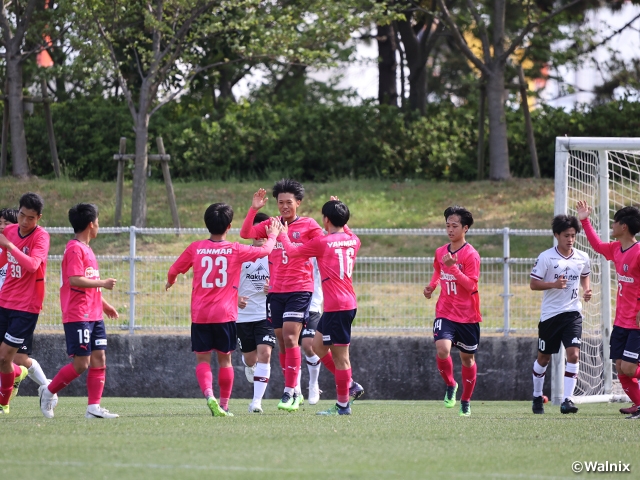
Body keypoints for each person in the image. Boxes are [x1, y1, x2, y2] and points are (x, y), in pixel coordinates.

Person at [167, 203, 279, 417]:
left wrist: (169, 281)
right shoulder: (235, 249)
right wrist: (273, 234)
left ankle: (209, 395)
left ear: (207, 224)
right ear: (229, 226)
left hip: (200, 314)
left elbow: (174, 270)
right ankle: (225, 405)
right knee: (225, 360)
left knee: (202, 360)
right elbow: (265, 250)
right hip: (225, 314)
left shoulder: (195, 248)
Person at [239, 180, 324, 412]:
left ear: (298, 202)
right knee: (283, 342)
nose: (285, 206)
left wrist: (285, 237)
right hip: (276, 291)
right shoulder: (271, 224)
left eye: (289, 202)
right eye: (280, 203)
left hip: (300, 288)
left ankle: (288, 392)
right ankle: (295, 389)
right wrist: (254, 209)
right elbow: (246, 233)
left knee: (289, 337)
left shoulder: (308, 225)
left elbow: (321, 243)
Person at [279, 199, 361, 415]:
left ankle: (343, 405)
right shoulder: (354, 240)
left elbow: (292, 251)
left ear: (325, 220)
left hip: (338, 307)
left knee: (342, 357)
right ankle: (349, 385)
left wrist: (282, 234)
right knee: (317, 346)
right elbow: (347, 231)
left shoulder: (322, 243)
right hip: (342, 305)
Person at [39, 203, 120, 419]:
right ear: (91, 224)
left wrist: (104, 305)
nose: (98, 226)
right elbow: (75, 280)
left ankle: (93, 408)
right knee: (81, 363)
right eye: (98, 222)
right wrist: (103, 283)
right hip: (79, 315)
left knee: (99, 358)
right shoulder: (75, 248)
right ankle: (48, 391)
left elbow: (88, 281)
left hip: (94, 314)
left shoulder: (87, 249)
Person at [576, 201, 640, 419]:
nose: (611, 226)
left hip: (636, 322)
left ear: (624, 226)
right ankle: (639, 404)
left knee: (630, 369)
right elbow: (596, 245)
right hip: (620, 321)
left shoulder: (639, 252)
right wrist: (584, 220)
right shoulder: (616, 249)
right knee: (620, 368)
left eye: (614, 222)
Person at [529, 214, 592, 415]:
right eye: (566, 235)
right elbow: (533, 284)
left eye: (573, 235)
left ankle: (567, 400)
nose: (570, 239)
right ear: (557, 235)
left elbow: (585, 274)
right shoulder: (546, 257)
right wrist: (553, 284)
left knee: (573, 355)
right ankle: (537, 396)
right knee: (543, 359)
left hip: (573, 313)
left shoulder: (582, 257)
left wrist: (587, 289)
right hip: (550, 316)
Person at [423, 205, 481, 417]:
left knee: (468, 359)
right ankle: (450, 384)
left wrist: (454, 268)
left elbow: (471, 286)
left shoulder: (471, 255)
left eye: (454, 226)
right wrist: (432, 286)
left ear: (465, 228)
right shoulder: (440, 252)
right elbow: (438, 270)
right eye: (447, 225)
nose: (450, 230)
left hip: (468, 316)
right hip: (445, 311)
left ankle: (465, 400)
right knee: (442, 349)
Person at [0, 193, 50, 414]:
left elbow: (31, 266)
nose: (24, 221)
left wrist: (10, 246)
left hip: (26, 307)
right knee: (5, 360)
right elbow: (3, 260)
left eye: (30, 218)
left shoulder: (41, 237)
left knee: (4, 357)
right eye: (21, 215)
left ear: (38, 217)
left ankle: (3, 403)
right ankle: (17, 375)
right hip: (4, 300)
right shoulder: (10, 231)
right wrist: (7, 247)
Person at [236, 212, 277, 414]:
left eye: (265, 229)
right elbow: (227, 283)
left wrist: (275, 286)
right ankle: (246, 364)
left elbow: (288, 280)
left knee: (265, 354)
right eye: (257, 229)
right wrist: (235, 298)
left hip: (265, 314)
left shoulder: (275, 255)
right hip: (242, 316)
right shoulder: (241, 253)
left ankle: (256, 402)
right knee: (251, 359)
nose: (261, 234)